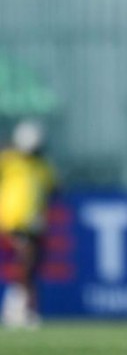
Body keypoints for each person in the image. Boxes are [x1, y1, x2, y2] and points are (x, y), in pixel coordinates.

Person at [0, 120, 57, 328]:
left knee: (30, 266)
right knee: (26, 261)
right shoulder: (9, 160)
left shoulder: (42, 167)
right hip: (13, 220)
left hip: (33, 222)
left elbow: (54, 189)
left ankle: (18, 307)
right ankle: (17, 308)